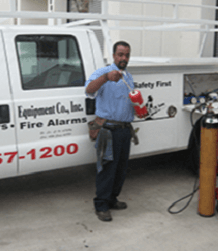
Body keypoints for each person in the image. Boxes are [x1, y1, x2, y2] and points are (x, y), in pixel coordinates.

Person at [85, 41, 135, 222]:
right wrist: (106, 78)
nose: (124, 58)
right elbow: (89, 90)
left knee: (121, 170)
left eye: (127, 55)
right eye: (120, 54)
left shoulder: (128, 76)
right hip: (108, 131)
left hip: (123, 130)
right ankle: (101, 205)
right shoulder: (103, 73)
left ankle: (112, 199)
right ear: (113, 55)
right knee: (107, 169)